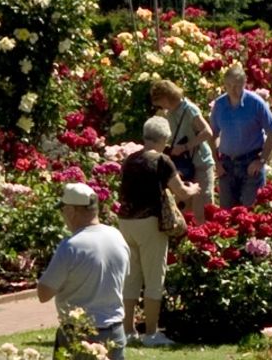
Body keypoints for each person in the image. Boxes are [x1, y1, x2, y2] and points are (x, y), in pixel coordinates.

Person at [117, 116, 201, 346]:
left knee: (131, 276)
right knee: (154, 277)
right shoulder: (162, 161)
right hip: (150, 222)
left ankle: (128, 330)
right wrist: (193, 189)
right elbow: (181, 192)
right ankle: (152, 333)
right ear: (164, 138)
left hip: (126, 222)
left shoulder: (130, 160)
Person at [38, 183, 131, 360]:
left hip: (79, 335)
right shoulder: (116, 236)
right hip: (115, 331)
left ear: (72, 211)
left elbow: (44, 293)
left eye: (63, 210)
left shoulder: (71, 246)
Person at [209, 64, 272, 208]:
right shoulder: (220, 105)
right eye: (229, 85)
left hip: (250, 163)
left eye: (237, 86)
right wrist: (217, 162)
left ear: (244, 84)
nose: (233, 90)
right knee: (226, 212)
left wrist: (262, 160)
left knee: (249, 211)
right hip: (227, 164)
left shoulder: (256, 103)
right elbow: (212, 135)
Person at [151, 79, 216, 224]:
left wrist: (185, 147)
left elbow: (207, 132)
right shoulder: (169, 113)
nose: (160, 106)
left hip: (200, 163)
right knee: (183, 207)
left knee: (202, 208)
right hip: (182, 165)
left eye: (161, 102)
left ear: (168, 97)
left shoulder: (189, 109)